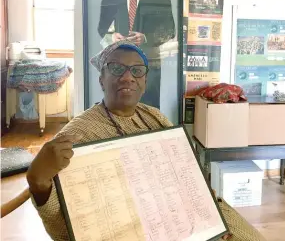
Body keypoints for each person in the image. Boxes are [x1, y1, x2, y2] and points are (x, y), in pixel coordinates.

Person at [26, 41, 266, 241]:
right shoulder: (78, 134)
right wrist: (38, 180)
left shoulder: (154, 116)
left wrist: (209, 215)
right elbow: (66, 222)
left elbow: (184, 171)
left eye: (137, 71)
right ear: (101, 79)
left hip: (186, 216)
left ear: (145, 83)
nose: (128, 77)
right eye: (117, 69)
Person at [98, 0, 176, 109]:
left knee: (149, 110)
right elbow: (102, 27)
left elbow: (170, 30)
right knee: (118, 108)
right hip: (118, 63)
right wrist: (112, 37)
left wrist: (146, 37)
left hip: (149, 64)